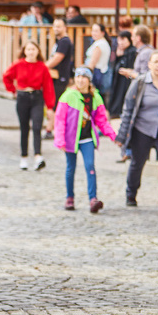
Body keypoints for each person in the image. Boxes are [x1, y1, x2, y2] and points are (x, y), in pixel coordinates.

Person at [115, 50, 158, 213]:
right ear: (149, 65)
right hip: (142, 129)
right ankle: (131, 194)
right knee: (137, 163)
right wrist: (122, 134)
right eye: (156, 62)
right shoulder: (139, 83)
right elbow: (128, 109)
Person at [54, 67, 117, 213]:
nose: (80, 80)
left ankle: (93, 199)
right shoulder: (68, 96)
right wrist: (60, 140)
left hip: (87, 138)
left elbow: (101, 120)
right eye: (78, 77)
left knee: (90, 167)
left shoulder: (95, 97)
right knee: (71, 168)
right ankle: (70, 198)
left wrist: (112, 135)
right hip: (70, 140)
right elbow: (60, 119)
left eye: (84, 77)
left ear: (89, 80)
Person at [3, 41, 54, 170]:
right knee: (24, 128)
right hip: (22, 98)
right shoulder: (18, 64)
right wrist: (12, 90)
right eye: (29, 49)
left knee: (37, 127)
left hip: (37, 98)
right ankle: (24, 157)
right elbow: (6, 76)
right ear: (24, 51)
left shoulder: (42, 67)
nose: (31, 52)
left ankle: (38, 156)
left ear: (38, 51)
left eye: (33, 49)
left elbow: (48, 87)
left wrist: (49, 107)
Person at [44, 18, 73, 138]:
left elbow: (57, 58)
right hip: (57, 76)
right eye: (54, 26)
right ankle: (51, 129)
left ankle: (52, 130)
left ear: (65, 27)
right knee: (52, 104)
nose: (56, 29)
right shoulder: (60, 41)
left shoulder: (64, 42)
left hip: (60, 77)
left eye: (59, 26)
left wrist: (42, 68)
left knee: (54, 104)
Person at [107, 30, 137, 119]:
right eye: (119, 40)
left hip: (126, 83)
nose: (120, 42)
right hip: (119, 82)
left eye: (123, 39)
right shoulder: (120, 51)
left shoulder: (132, 51)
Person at [84, 23, 112, 97]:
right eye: (93, 31)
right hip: (100, 73)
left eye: (96, 31)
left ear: (102, 33)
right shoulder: (102, 42)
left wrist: (86, 75)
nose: (93, 33)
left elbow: (92, 62)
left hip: (96, 74)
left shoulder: (100, 44)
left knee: (95, 96)